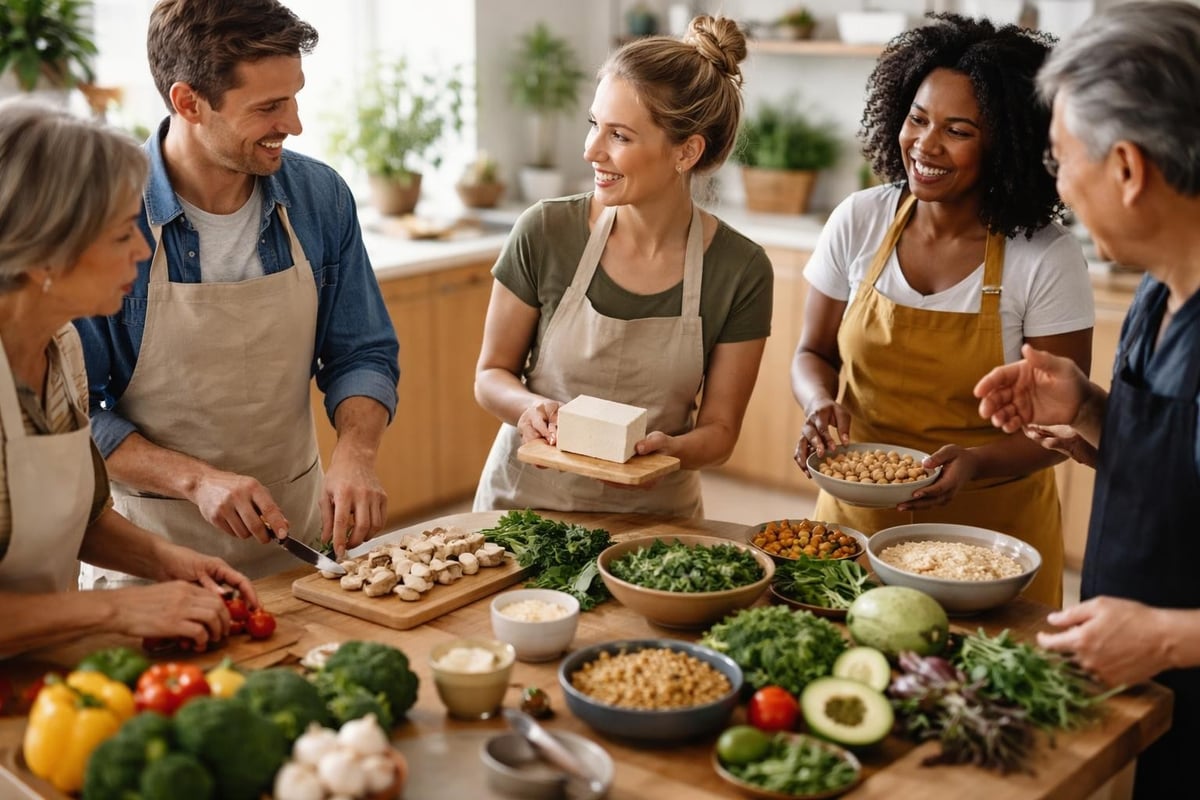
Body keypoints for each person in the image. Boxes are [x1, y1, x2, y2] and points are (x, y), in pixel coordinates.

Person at [75, 0, 400, 583]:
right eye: (269, 106)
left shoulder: (320, 198)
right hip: (151, 560)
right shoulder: (105, 217)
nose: (294, 124)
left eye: (294, 97)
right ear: (188, 102)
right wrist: (195, 479)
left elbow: (362, 352)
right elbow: (77, 413)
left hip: (297, 545)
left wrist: (357, 452)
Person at [790, 14, 1094, 606]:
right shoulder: (859, 220)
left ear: (1005, 143)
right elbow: (812, 352)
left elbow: (1064, 426)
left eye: (958, 130)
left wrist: (975, 463)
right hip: (856, 521)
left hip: (991, 538)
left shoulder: (1044, 256)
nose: (926, 145)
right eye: (918, 119)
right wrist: (818, 403)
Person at [973, 4, 1200, 794]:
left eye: (1062, 158)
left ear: (1128, 169)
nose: (1060, 185)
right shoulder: (1158, 292)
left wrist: (1170, 637)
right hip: (1155, 702)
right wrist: (1092, 412)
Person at [473, 15, 772, 516]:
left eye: (620, 136)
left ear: (686, 151)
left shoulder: (740, 269)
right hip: (524, 510)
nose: (591, 150)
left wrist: (669, 452)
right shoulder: (545, 231)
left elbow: (720, 433)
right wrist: (529, 407)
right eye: (595, 124)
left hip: (655, 525)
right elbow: (491, 374)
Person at [0, 99, 258, 657]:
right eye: (122, 235)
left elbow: (82, 521)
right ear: (44, 255)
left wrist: (169, 561)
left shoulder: (62, 349)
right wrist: (116, 609)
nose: (143, 249)